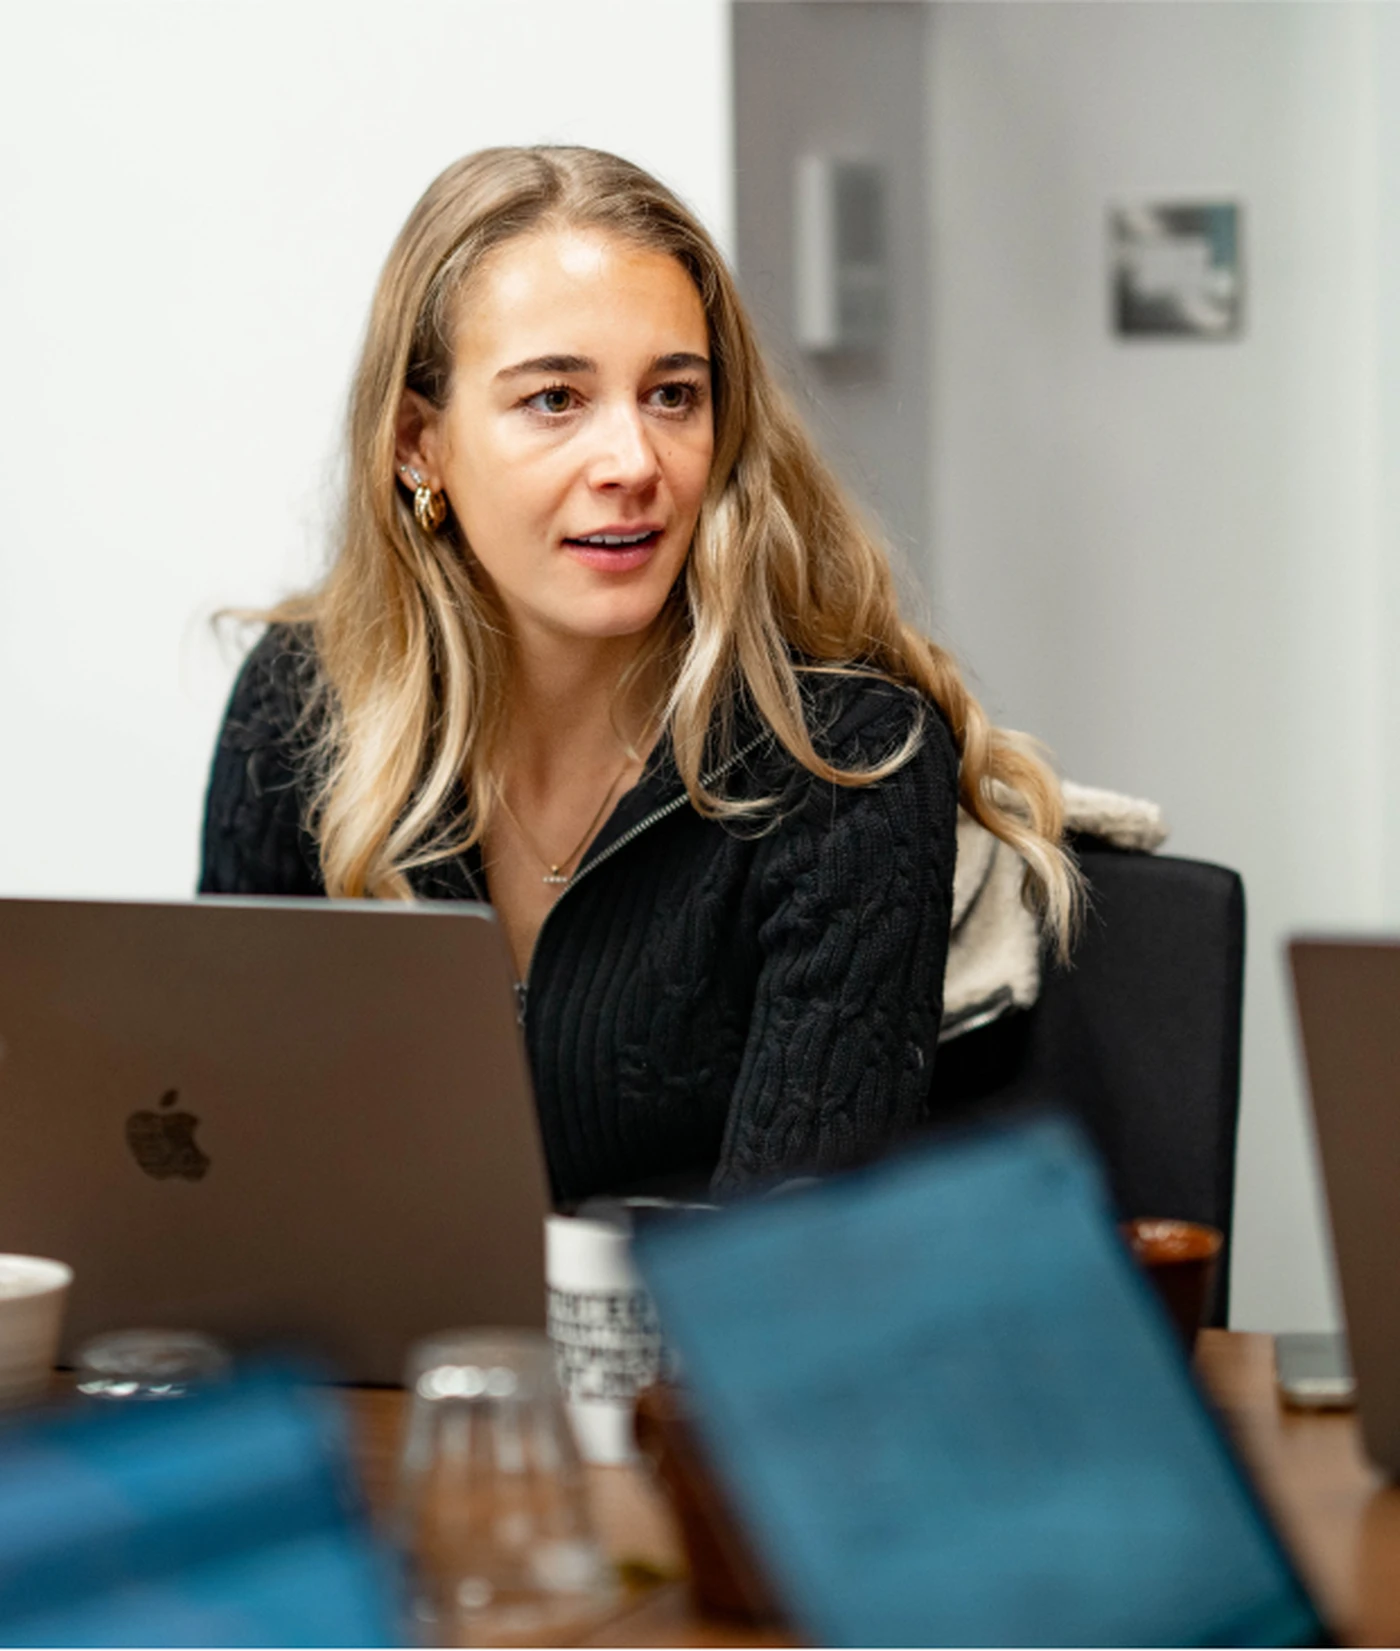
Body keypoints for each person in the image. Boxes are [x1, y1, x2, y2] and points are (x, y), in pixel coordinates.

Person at [199, 145, 1078, 1205]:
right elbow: (230, 1182)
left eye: (672, 395)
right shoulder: (301, 705)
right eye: (554, 399)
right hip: (395, 1369)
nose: (631, 462)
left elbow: (793, 1284)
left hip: (699, 1368)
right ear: (418, 444)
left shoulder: (845, 756)